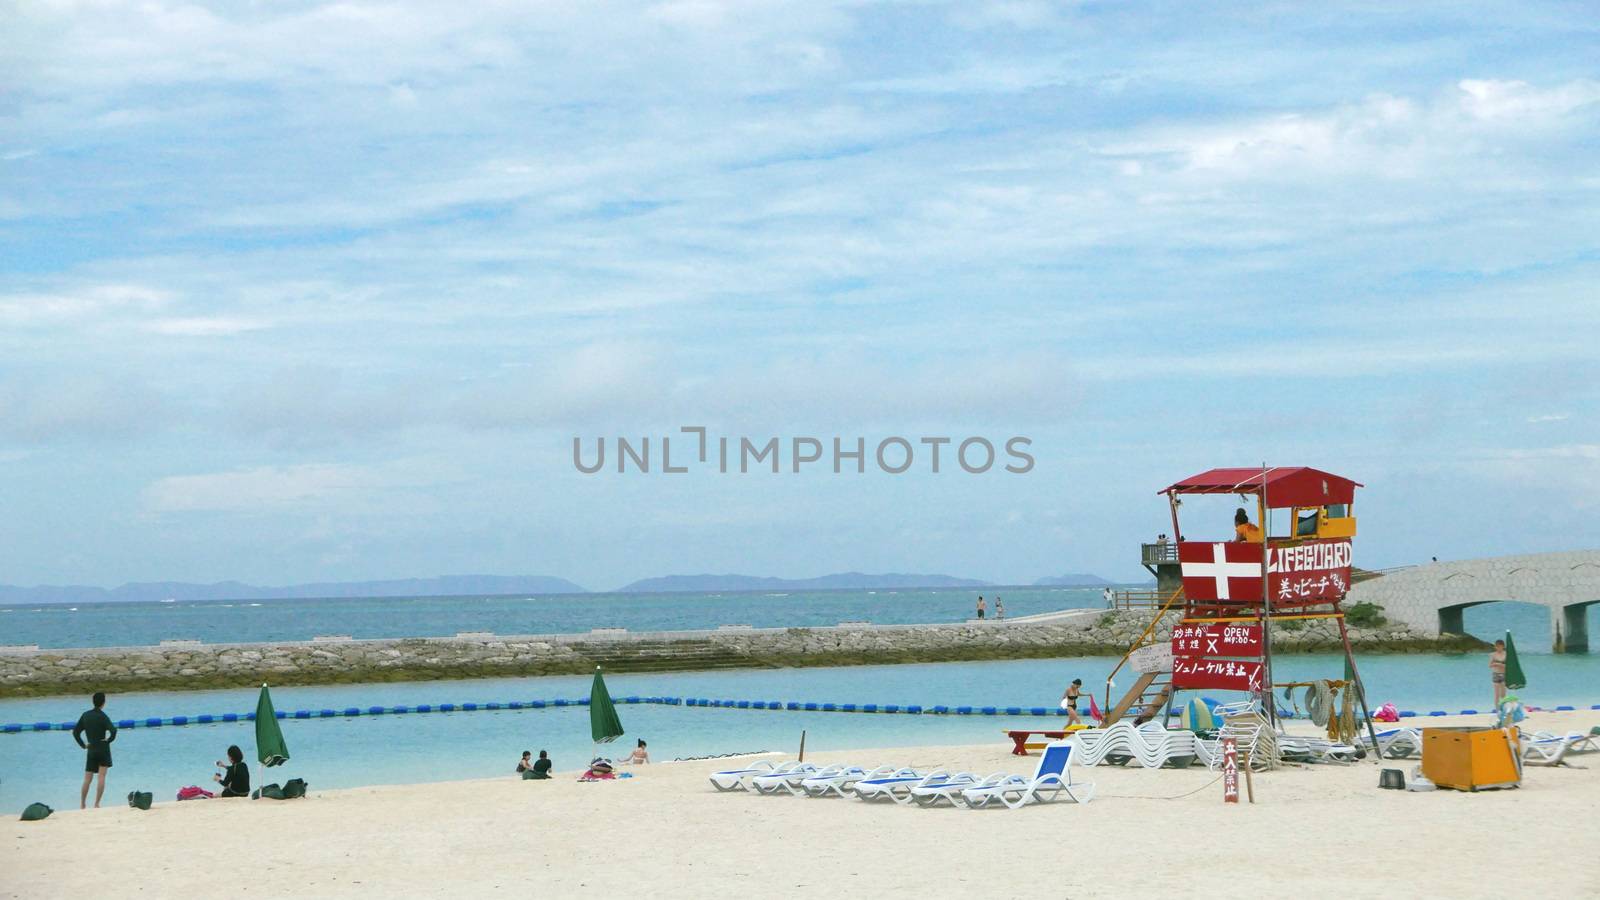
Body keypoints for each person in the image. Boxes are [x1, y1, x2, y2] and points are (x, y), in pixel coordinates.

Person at [72, 691, 117, 809]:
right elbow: (113, 730)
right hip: (103, 748)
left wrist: (83, 745)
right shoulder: (103, 716)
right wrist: (108, 740)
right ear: (103, 703)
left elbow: (76, 732)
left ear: (93, 702)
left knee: (87, 778)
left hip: (91, 748)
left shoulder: (85, 715)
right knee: (101, 777)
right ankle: (96, 804)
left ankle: (82, 804)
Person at [1490, 640, 1507, 706]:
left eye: (1500, 646)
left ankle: (1504, 709)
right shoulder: (1493, 654)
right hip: (1496, 674)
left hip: (1503, 674)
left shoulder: (1506, 654)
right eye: (1497, 647)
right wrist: (1496, 663)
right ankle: (1497, 710)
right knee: (1496, 694)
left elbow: (1509, 666)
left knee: (1503, 694)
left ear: (1503, 646)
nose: (1498, 648)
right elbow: (1490, 665)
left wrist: (1501, 665)